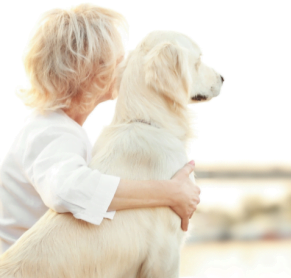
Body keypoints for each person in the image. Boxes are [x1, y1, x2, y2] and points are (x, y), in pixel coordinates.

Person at [0, 4, 201, 253]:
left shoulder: (52, 127)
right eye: (119, 60)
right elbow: (68, 190)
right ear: (90, 72)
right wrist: (170, 192)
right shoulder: (51, 133)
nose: (127, 67)